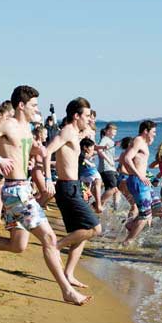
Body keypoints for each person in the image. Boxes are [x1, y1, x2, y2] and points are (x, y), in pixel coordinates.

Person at [0, 85, 91, 306]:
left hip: (21, 189)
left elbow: (23, 151)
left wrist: (37, 152)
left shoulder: (27, 128)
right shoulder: (8, 124)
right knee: (49, 238)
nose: (37, 109)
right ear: (21, 105)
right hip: (15, 191)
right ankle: (66, 290)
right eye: (34, 105)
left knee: (17, 246)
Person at [44, 97, 102, 288]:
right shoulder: (68, 131)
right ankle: (55, 247)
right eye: (86, 115)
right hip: (67, 188)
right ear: (76, 116)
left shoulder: (73, 133)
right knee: (94, 229)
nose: (89, 119)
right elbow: (47, 152)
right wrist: (47, 179)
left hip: (74, 186)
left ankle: (68, 273)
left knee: (81, 232)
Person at [122, 120, 158, 245]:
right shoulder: (138, 140)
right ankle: (128, 241)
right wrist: (139, 175)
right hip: (137, 180)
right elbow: (126, 158)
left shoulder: (143, 142)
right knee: (145, 215)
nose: (155, 134)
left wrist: (148, 176)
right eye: (153, 132)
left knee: (157, 205)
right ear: (145, 131)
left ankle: (131, 225)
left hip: (142, 181)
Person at [97, 123, 119, 208]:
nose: (115, 133)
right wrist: (108, 160)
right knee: (113, 189)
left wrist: (120, 158)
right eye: (114, 131)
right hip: (106, 169)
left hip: (111, 168)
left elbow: (110, 157)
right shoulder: (105, 139)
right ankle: (96, 205)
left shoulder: (111, 141)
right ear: (108, 131)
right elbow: (99, 150)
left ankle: (112, 208)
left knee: (115, 189)